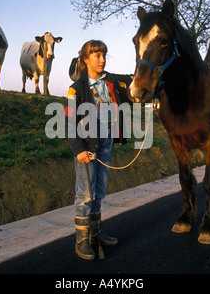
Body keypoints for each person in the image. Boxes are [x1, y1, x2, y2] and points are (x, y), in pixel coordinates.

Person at [65, 40, 132, 260]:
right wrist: (78, 149)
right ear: (85, 59)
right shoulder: (77, 89)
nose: (102, 59)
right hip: (87, 146)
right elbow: (68, 122)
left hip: (107, 142)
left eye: (104, 55)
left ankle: (96, 232)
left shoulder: (113, 82)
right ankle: (82, 239)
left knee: (100, 189)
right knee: (85, 193)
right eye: (96, 55)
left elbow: (131, 95)